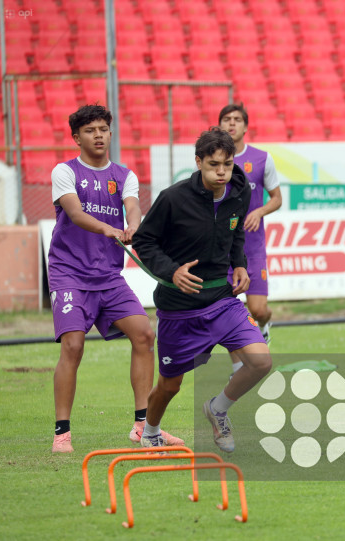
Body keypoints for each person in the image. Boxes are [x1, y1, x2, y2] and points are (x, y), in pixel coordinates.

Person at [48, 104, 182, 452]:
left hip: (109, 277)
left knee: (144, 334)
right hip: (70, 276)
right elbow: (75, 213)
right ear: (77, 137)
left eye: (104, 129)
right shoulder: (65, 171)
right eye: (90, 130)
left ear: (110, 133)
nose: (98, 135)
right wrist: (110, 227)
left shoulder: (124, 174)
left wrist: (134, 225)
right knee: (73, 346)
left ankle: (142, 425)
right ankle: (62, 432)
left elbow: (133, 206)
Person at [132, 128, 273, 452]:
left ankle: (218, 408)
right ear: (198, 162)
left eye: (227, 163)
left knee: (261, 361)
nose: (221, 172)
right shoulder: (173, 198)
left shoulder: (240, 191)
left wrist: (238, 263)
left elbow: (235, 232)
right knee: (170, 385)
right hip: (179, 307)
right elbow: (144, 241)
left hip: (223, 299)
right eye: (213, 165)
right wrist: (171, 271)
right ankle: (150, 431)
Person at [219, 104, 282, 359]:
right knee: (227, 312)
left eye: (237, 120)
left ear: (245, 126)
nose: (231, 124)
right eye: (226, 119)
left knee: (258, 309)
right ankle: (238, 370)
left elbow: (277, 198)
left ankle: (265, 325)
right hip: (223, 251)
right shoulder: (215, 160)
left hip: (253, 249)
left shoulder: (262, 159)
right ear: (220, 125)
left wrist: (259, 212)